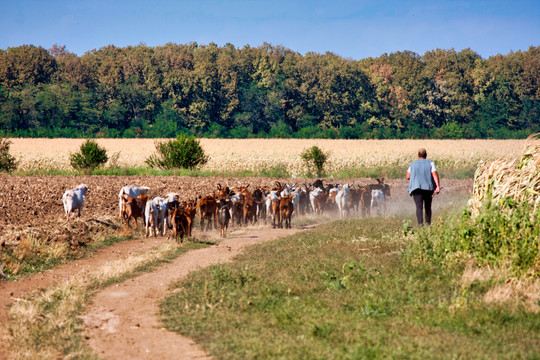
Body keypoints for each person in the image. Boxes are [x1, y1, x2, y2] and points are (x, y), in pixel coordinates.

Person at [406, 148, 440, 225]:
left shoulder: (412, 164)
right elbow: (434, 174)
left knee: (419, 207)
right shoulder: (430, 163)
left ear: (418, 155)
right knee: (428, 207)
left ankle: (420, 224)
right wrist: (437, 186)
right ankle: (428, 224)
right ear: (426, 155)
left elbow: (408, 176)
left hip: (416, 189)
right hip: (428, 189)